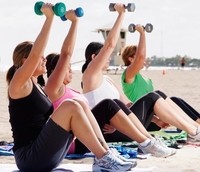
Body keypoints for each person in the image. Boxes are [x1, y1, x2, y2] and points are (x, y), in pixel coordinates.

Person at [6, 4, 132, 172]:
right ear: (25, 61)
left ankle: (105, 155)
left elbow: (67, 53)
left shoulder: (40, 87)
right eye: (41, 57)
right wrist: (49, 18)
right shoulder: (19, 84)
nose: (44, 59)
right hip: (29, 158)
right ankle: (104, 157)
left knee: (78, 104)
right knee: (70, 105)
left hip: (48, 155)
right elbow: (36, 53)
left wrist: (75, 23)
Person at [44, 4, 176, 159]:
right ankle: (148, 142)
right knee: (109, 104)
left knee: (116, 103)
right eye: (66, 68)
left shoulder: (72, 91)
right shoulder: (55, 89)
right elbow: (69, 53)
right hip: (77, 140)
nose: (71, 70)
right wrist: (120, 14)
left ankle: (148, 142)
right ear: (55, 72)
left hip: (92, 133)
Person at [81, 19, 200, 145]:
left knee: (160, 95)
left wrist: (155, 120)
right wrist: (121, 14)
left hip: (124, 125)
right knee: (153, 96)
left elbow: (127, 105)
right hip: (110, 131)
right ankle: (193, 132)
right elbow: (110, 44)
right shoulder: (89, 77)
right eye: (105, 55)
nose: (109, 58)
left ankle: (194, 129)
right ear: (94, 57)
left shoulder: (108, 80)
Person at [120, 24, 200, 141]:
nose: (144, 58)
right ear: (131, 59)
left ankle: (196, 126)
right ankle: (194, 129)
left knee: (175, 100)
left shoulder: (143, 77)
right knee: (159, 93)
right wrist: (142, 34)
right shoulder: (129, 74)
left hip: (154, 115)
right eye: (137, 56)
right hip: (143, 119)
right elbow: (141, 57)